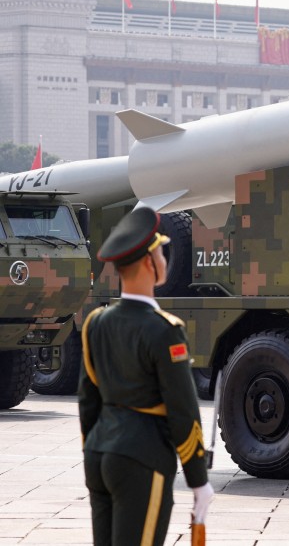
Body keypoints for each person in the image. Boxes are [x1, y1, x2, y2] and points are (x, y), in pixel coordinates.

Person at [78, 207, 213, 546]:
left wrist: (97, 448)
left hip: (99, 454)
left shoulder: (96, 322)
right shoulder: (163, 331)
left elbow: (88, 401)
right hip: (141, 458)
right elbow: (183, 410)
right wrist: (198, 479)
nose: (164, 258)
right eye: (159, 252)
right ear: (148, 264)